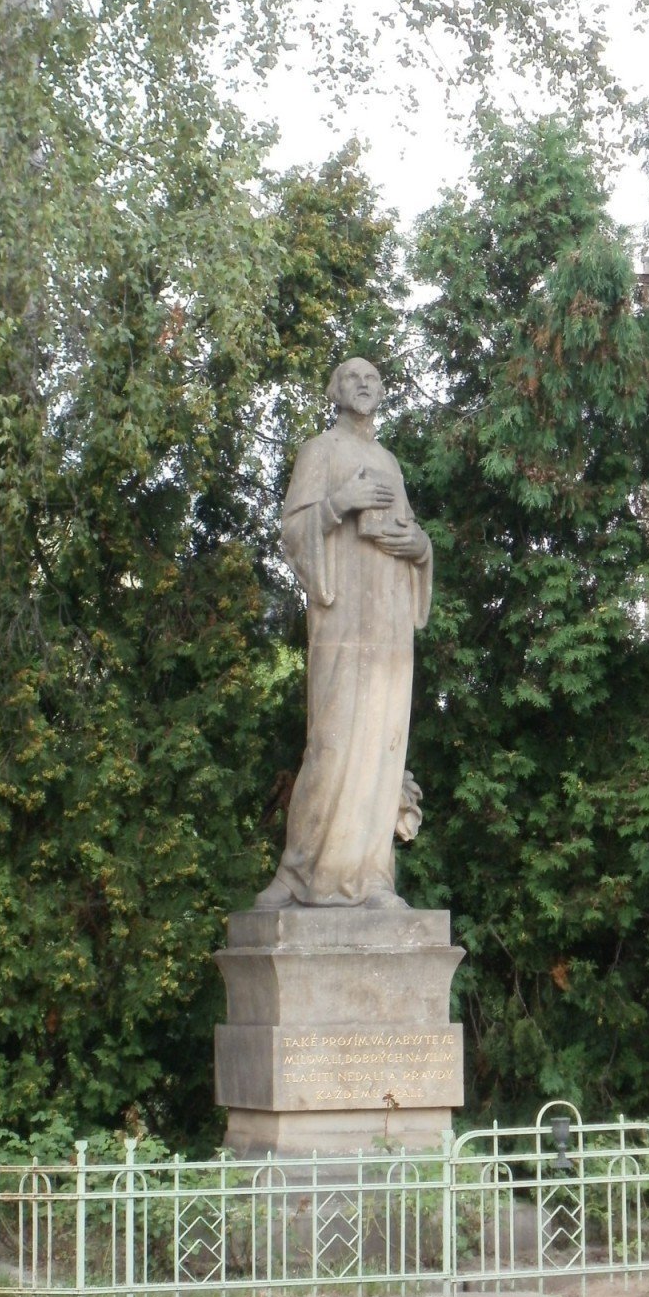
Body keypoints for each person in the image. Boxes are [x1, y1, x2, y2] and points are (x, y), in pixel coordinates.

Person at [257, 358, 432, 910]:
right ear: (334, 389)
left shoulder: (389, 462)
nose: (364, 384)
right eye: (353, 376)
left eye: (373, 378)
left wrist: (421, 549)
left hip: (387, 623)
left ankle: (374, 877)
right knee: (331, 743)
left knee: (383, 744)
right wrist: (339, 504)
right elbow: (291, 532)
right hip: (340, 621)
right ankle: (297, 871)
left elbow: (410, 535)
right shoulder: (321, 451)